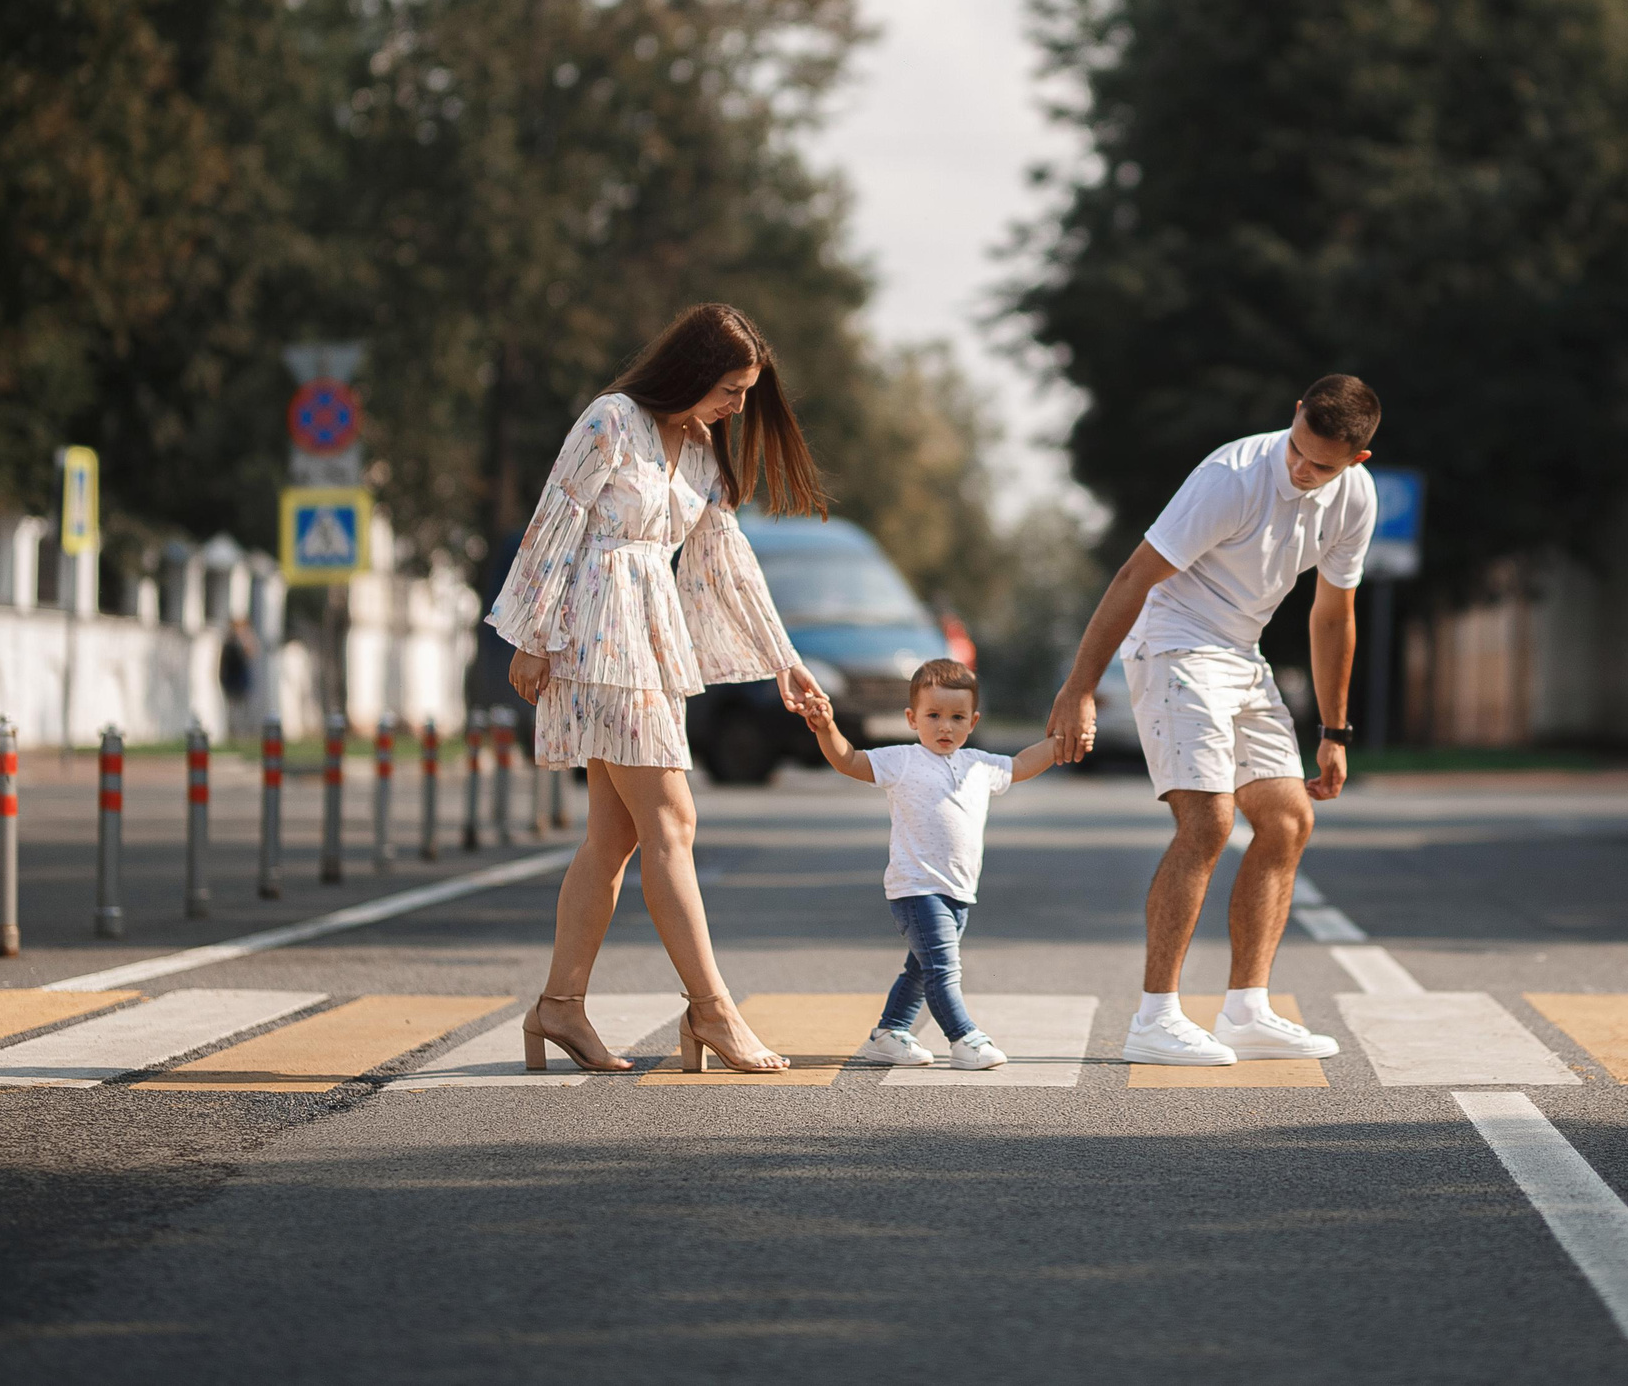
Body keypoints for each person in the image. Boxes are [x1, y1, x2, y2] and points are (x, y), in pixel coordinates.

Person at [492, 303, 831, 1076]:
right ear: (690, 370)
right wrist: (533, 634)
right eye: (731, 388)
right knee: (674, 817)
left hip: (650, 638)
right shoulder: (611, 420)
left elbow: (728, 558)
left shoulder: (702, 449)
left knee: (615, 838)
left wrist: (785, 658)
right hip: (593, 635)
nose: (740, 405)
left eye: (748, 392)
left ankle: (559, 1007)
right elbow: (556, 520)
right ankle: (712, 1010)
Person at [1045, 375, 1381, 1066]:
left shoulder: (1355, 497)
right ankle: (1155, 1016)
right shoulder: (1231, 477)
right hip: (1171, 639)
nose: (1300, 468)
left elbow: (1332, 613)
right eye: (1297, 449)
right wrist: (1079, 688)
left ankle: (1247, 1010)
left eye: (1320, 464)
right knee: (1208, 821)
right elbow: (1134, 576)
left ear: (1357, 460)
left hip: (1240, 653)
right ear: (1292, 417)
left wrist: (1335, 731)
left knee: (1288, 820)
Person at [799, 658, 1056, 1071]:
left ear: (973, 721)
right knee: (943, 968)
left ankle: (889, 1034)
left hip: (958, 891)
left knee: (920, 969)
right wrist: (826, 727)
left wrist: (1058, 743)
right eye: (933, 716)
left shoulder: (979, 765)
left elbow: (1023, 764)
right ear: (911, 718)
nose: (944, 727)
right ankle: (964, 1038)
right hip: (916, 888)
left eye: (956, 717)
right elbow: (848, 761)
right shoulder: (901, 760)